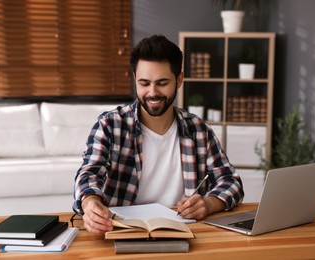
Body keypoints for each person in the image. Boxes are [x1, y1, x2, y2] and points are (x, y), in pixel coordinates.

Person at [73, 34, 244, 234]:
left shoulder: (198, 130)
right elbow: (89, 173)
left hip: (186, 232)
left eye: (162, 83)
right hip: (122, 231)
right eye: (144, 83)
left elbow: (231, 181)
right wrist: (90, 203)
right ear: (135, 79)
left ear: (179, 80)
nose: (152, 92)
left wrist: (208, 204)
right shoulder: (110, 125)